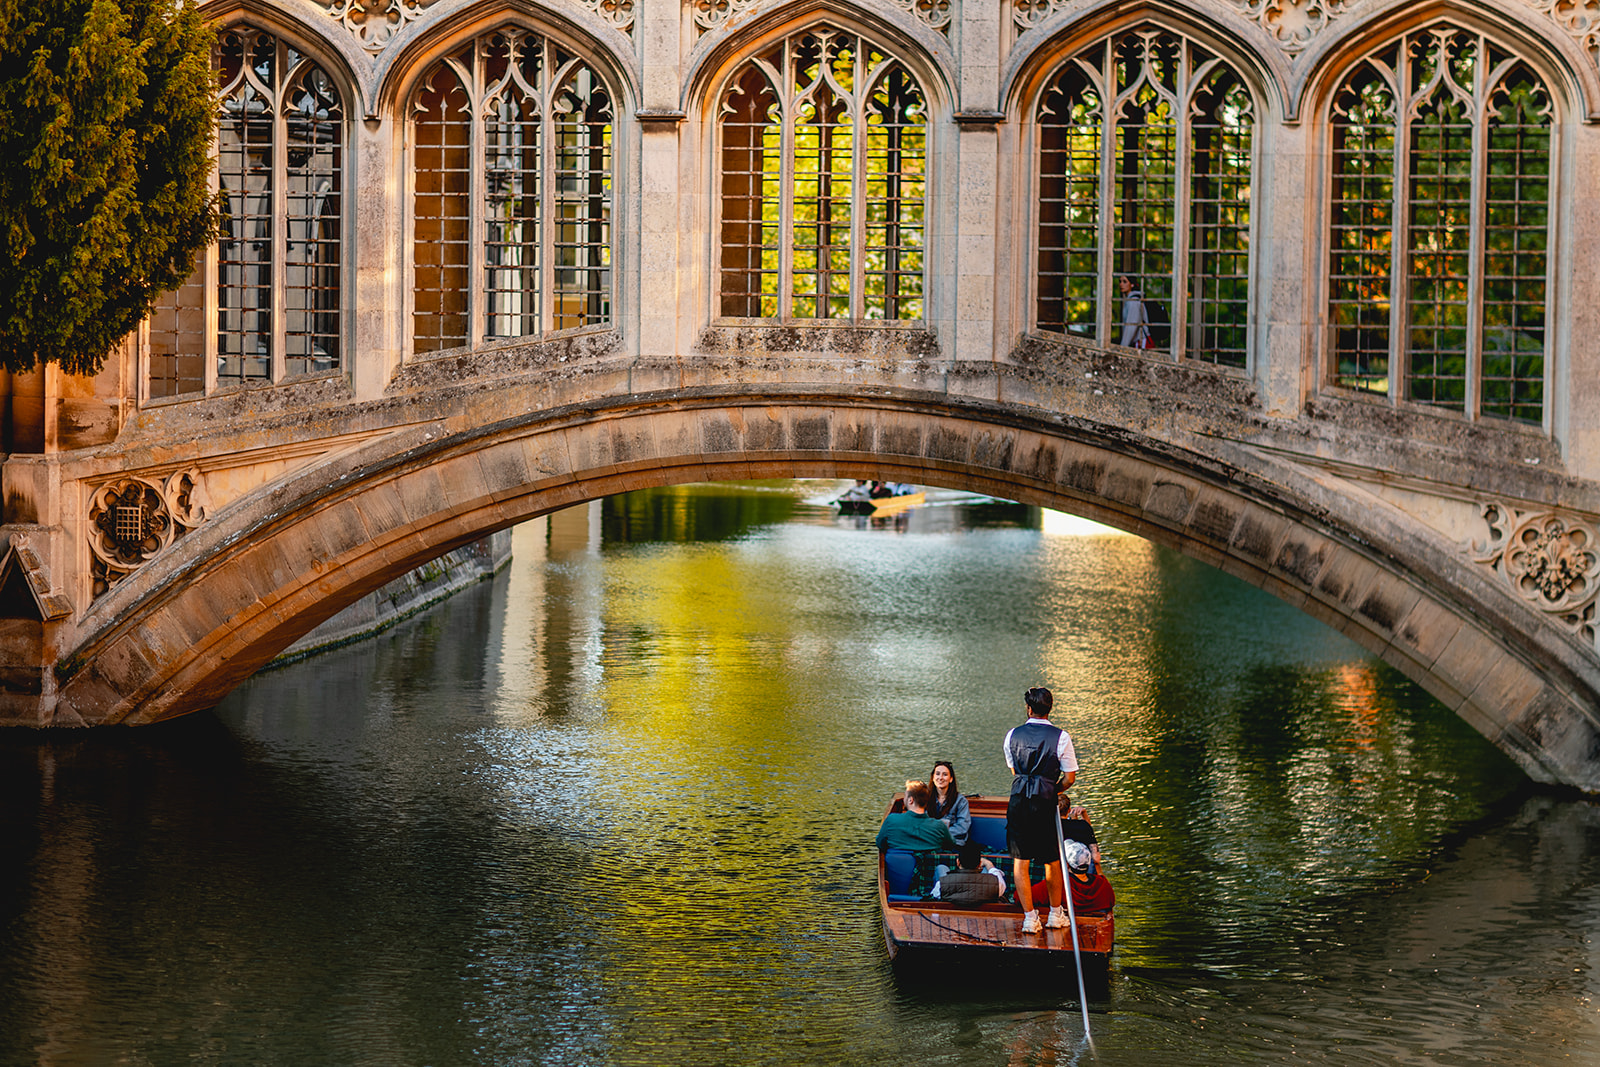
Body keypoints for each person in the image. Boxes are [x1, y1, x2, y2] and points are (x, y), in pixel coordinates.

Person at [1003, 685, 1079, 934]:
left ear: (1028, 708)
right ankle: (1056, 914)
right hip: (1045, 801)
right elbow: (1069, 778)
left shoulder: (1012, 735)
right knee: (1052, 860)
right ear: (1050, 709)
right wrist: (1052, 788)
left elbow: (1015, 770)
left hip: (1019, 799)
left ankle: (1029, 918)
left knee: (1020, 861)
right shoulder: (1062, 737)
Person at [1031, 840, 1115, 914]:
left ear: (1066, 864)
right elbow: (1111, 902)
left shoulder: (1057, 884)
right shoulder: (1103, 883)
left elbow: (1019, 898)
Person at [876, 780, 959, 853]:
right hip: (928, 869)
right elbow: (951, 845)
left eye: (905, 795)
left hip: (898, 869)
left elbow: (880, 843)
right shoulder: (939, 826)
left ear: (910, 800)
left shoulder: (892, 820)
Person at [932, 840, 1006, 904]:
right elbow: (999, 881)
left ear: (958, 862)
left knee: (941, 868)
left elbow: (935, 895)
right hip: (982, 914)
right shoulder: (996, 884)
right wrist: (989, 864)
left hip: (953, 915)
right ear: (980, 864)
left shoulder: (941, 884)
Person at [926, 760, 970, 845]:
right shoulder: (924, 798)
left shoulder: (961, 801)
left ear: (951, 779)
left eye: (945, 775)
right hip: (930, 841)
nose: (941, 778)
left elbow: (963, 827)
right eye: (937, 774)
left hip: (953, 842)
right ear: (933, 777)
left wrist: (940, 834)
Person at [1118, 276, 1149, 348]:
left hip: (1141, 343)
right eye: (1120, 281)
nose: (1121, 284)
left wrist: (1123, 347)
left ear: (1132, 284)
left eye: (1125, 282)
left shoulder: (1133, 302)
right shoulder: (1131, 300)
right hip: (1137, 341)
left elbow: (1131, 326)